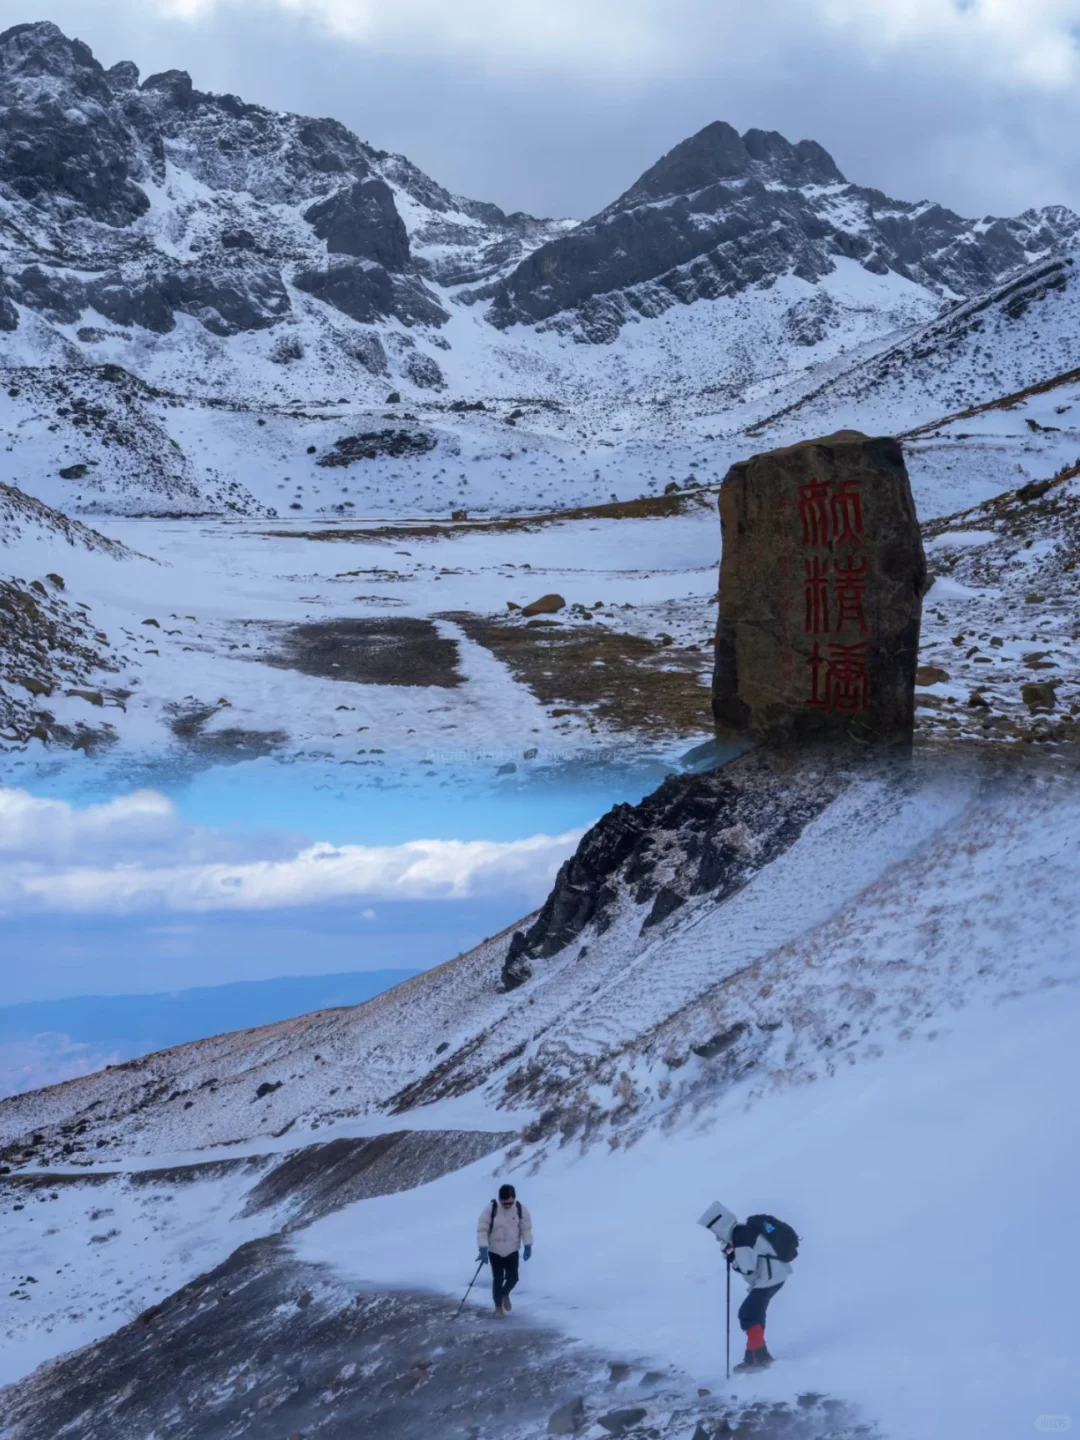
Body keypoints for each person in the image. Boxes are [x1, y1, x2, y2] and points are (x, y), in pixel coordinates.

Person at [698, 1201, 793, 1371]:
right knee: (754, 1313)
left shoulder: (739, 1236)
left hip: (769, 1277)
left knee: (747, 1314)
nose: (715, 1235)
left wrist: (732, 1258)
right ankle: (754, 1356)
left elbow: (747, 1268)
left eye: (713, 1230)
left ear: (718, 1225)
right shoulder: (741, 1230)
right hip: (776, 1275)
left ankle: (758, 1358)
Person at [476, 1182, 533, 1317]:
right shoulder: (491, 1208)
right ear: (500, 1199)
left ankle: (504, 1293)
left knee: (513, 1278)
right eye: (504, 1203)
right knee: (498, 1278)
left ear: (514, 1199)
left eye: (510, 1203)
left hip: (512, 1250)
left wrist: (528, 1246)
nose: (507, 1205)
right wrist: (483, 1248)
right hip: (494, 1250)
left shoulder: (520, 1209)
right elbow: (482, 1229)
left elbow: (526, 1229)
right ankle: (498, 1307)